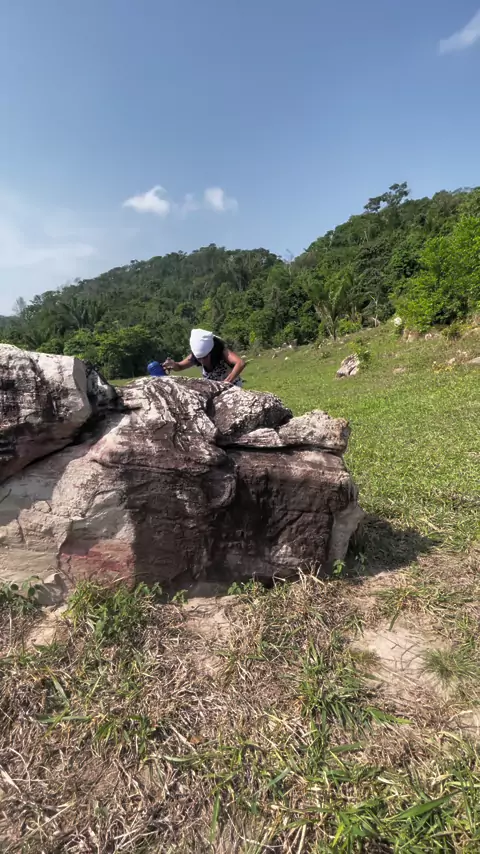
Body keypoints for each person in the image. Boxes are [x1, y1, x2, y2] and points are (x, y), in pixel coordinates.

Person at [163, 329, 246, 386]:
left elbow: (240, 363)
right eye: (199, 358)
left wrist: (227, 382)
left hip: (233, 387)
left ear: (211, 352)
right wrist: (173, 365)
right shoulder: (194, 356)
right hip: (216, 390)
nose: (202, 361)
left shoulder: (222, 352)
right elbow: (180, 366)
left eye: (205, 357)